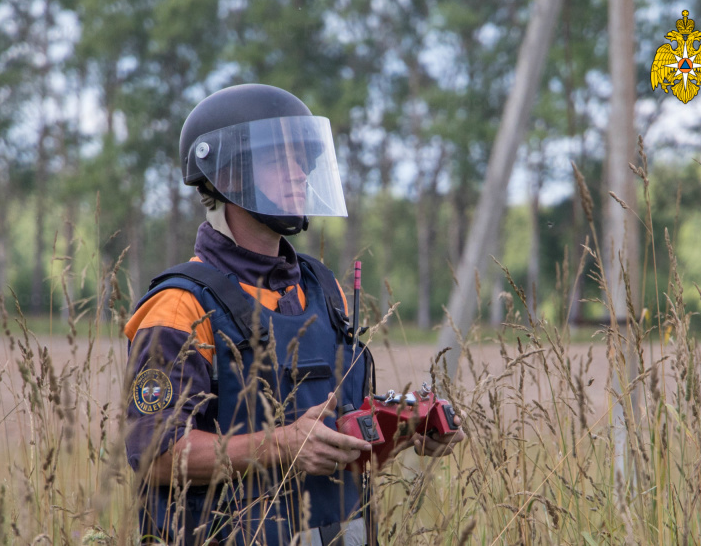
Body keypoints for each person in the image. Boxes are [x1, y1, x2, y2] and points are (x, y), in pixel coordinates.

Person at [124, 83, 463, 546]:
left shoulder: (324, 291)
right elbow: (154, 455)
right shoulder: (180, 306)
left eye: (303, 159)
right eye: (278, 158)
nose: (300, 172)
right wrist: (279, 446)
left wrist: (399, 433)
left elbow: (329, 443)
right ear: (228, 173)